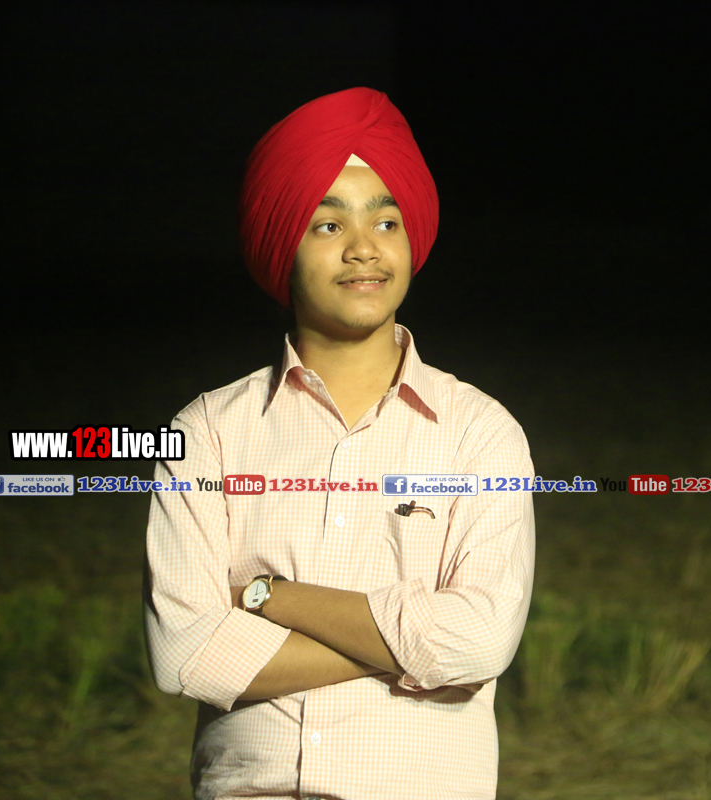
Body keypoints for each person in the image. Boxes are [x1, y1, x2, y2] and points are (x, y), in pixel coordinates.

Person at [142, 87, 536, 800]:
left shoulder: (480, 434)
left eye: (385, 220)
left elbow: (480, 641)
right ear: (280, 247)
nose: (364, 248)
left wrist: (271, 597)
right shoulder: (206, 434)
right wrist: (413, 646)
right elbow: (184, 653)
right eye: (328, 225)